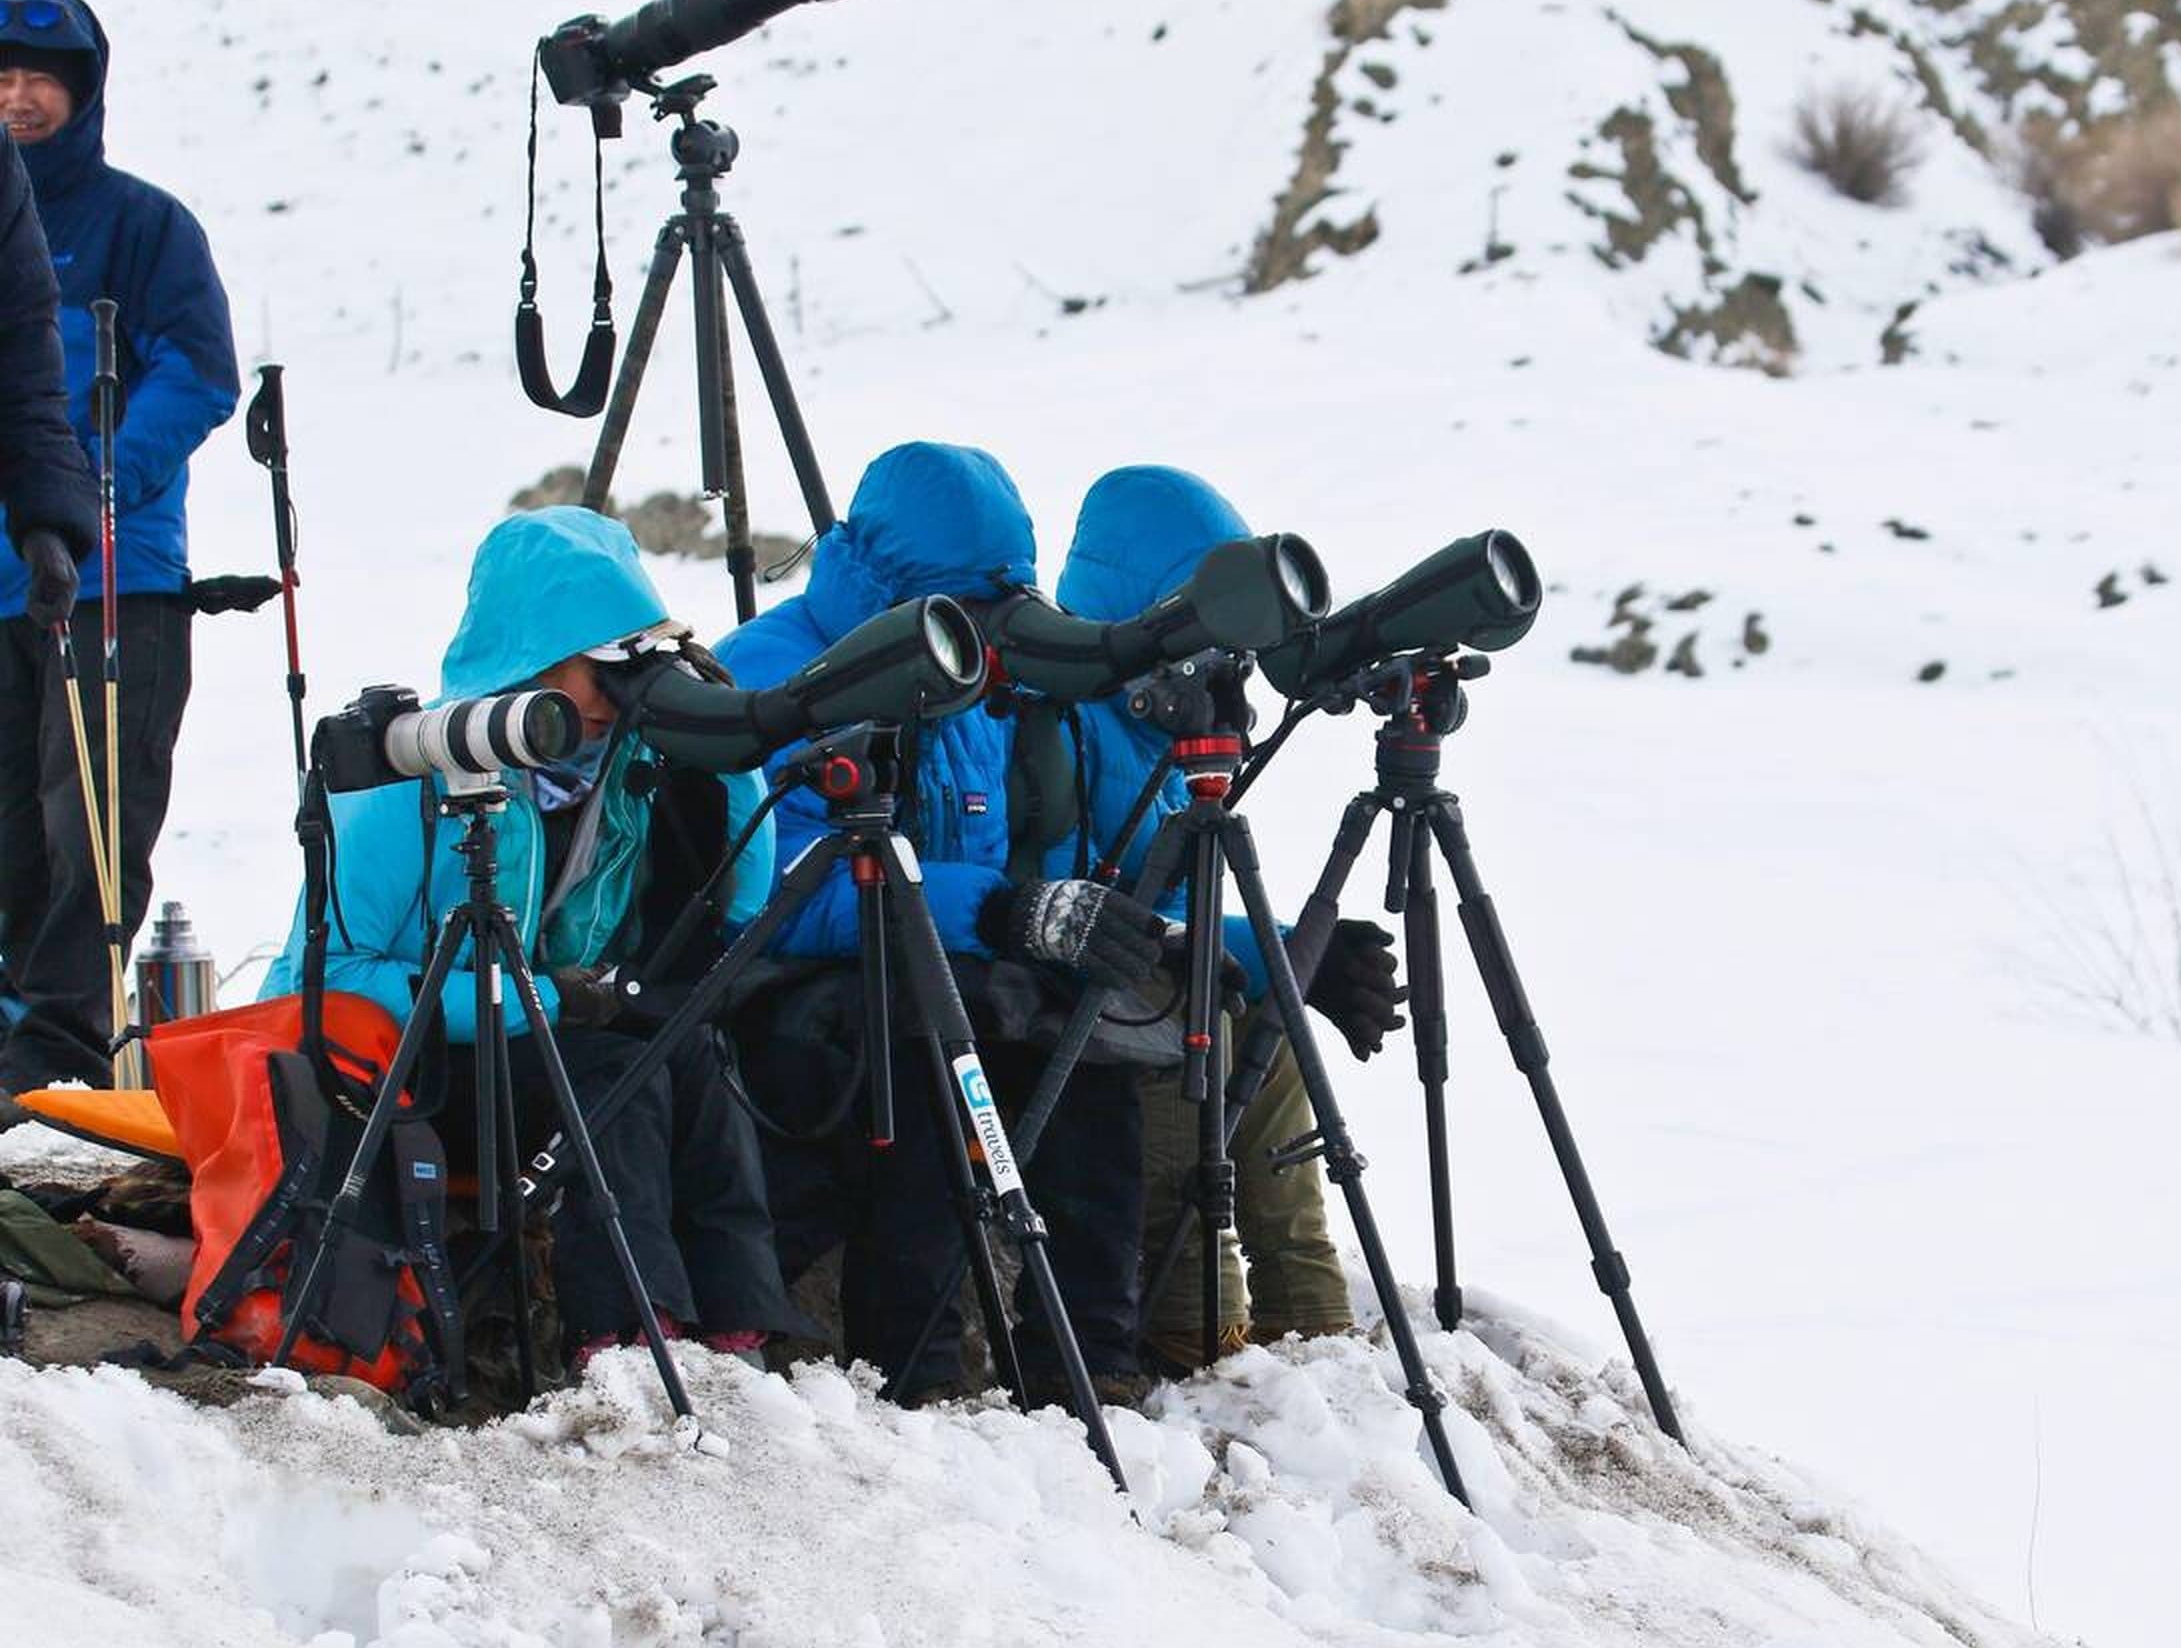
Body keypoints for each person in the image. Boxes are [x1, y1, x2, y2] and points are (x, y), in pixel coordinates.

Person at [261, 507, 804, 1366]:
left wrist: (718, 737)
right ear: (535, 655)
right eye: (603, 670)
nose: (615, 698)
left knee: (690, 1053)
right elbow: (333, 978)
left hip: (529, 1042)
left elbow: (738, 904)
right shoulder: (411, 773)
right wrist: (549, 1000)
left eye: (636, 668)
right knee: (612, 1072)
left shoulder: (618, 777)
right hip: (389, 1064)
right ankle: (626, 1337)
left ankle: (737, 1328)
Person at [717, 441, 1166, 1405]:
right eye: (972, 606)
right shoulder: (773, 675)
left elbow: (984, 866)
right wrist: (997, 909)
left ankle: (1088, 1361)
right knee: (925, 1050)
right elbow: (765, 892)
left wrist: (1037, 919)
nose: (995, 632)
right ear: (902, 593)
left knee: (1082, 1038)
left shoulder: (966, 691)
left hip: (922, 964)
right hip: (784, 989)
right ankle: (911, 1377)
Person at [1048, 466, 1403, 1370]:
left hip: (1143, 977)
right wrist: (1247, 951)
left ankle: (1310, 1313)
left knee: (1261, 1016)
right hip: (1075, 990)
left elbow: (1175, 909)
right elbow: (1079, 899)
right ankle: (1195, 1321)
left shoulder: (1151, 734)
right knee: (1189, 1012)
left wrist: (1289, 955)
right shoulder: (1061, 724)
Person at [0, 0, 236, 1118]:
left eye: (43, 78)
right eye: (3, 76)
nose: (19, 96)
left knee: (88, 815)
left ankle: (57, 1049)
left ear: (86, 92)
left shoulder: (144, 225)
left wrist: (101, 481)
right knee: (10, 816)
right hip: (2, 580)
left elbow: (198, 370)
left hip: (114, 574)